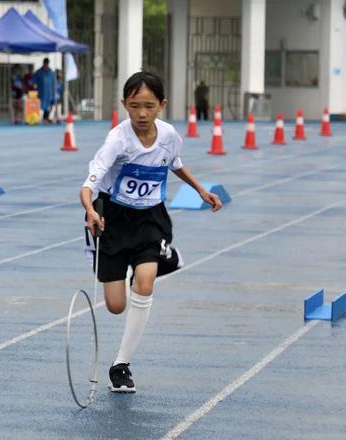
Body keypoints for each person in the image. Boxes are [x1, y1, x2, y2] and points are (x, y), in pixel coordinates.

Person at [80, 71, 222, 393]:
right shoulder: (117, 140)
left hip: (150, 220)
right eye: (134, 106)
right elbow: (89, 184)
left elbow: (174, 162)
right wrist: (90, 210)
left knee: (144, 284)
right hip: (112, 220)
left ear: (161, 105)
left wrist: (201, 189)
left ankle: (121, 365)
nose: (141, 114)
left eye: (148, 106)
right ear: (124, 105)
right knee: (116, 306)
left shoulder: (170, 135)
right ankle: (152, 261)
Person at [33, 58, 56, 124]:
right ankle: (39, 118)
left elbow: (54, 83)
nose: (46, 65)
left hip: (49, 93)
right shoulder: (38, 72)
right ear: (43, 63)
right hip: (41, 92)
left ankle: (46, 118)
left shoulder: (51, 72)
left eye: (47, 63)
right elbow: (34, 81)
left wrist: (54, 92)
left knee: (50, 105)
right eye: (45, 63)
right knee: (41, 106)